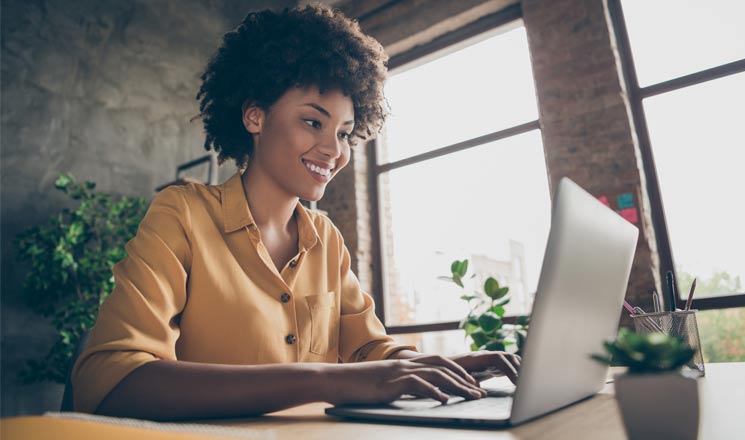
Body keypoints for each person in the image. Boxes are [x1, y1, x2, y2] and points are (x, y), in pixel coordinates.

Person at [71, 4, 520, 420]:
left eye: (345, 133)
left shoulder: (326, 239)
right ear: (255, 118)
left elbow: (368, 350)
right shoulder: (182, 215)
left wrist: (435, 366)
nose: (333, 150)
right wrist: (325, 378)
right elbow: (111, 381)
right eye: (313, 122)